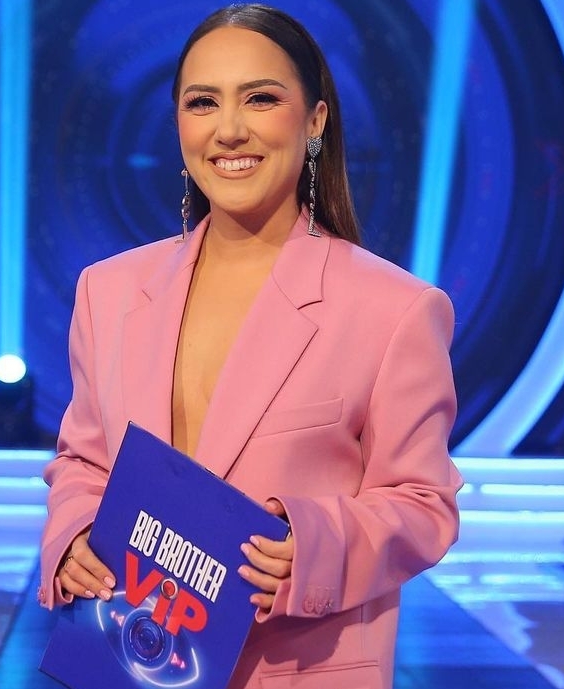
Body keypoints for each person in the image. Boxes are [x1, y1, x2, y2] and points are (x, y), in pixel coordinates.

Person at [37, 4, 462, 687]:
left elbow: (422, 502)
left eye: (260, 99)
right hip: (131, 655)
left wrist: (311, 549)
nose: (229, 129)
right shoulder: (107, 292)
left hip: (296, 667)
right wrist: (74, 536)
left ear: (315, 121)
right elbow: (84, 461)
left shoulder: (394, 309)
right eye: (202, 102)